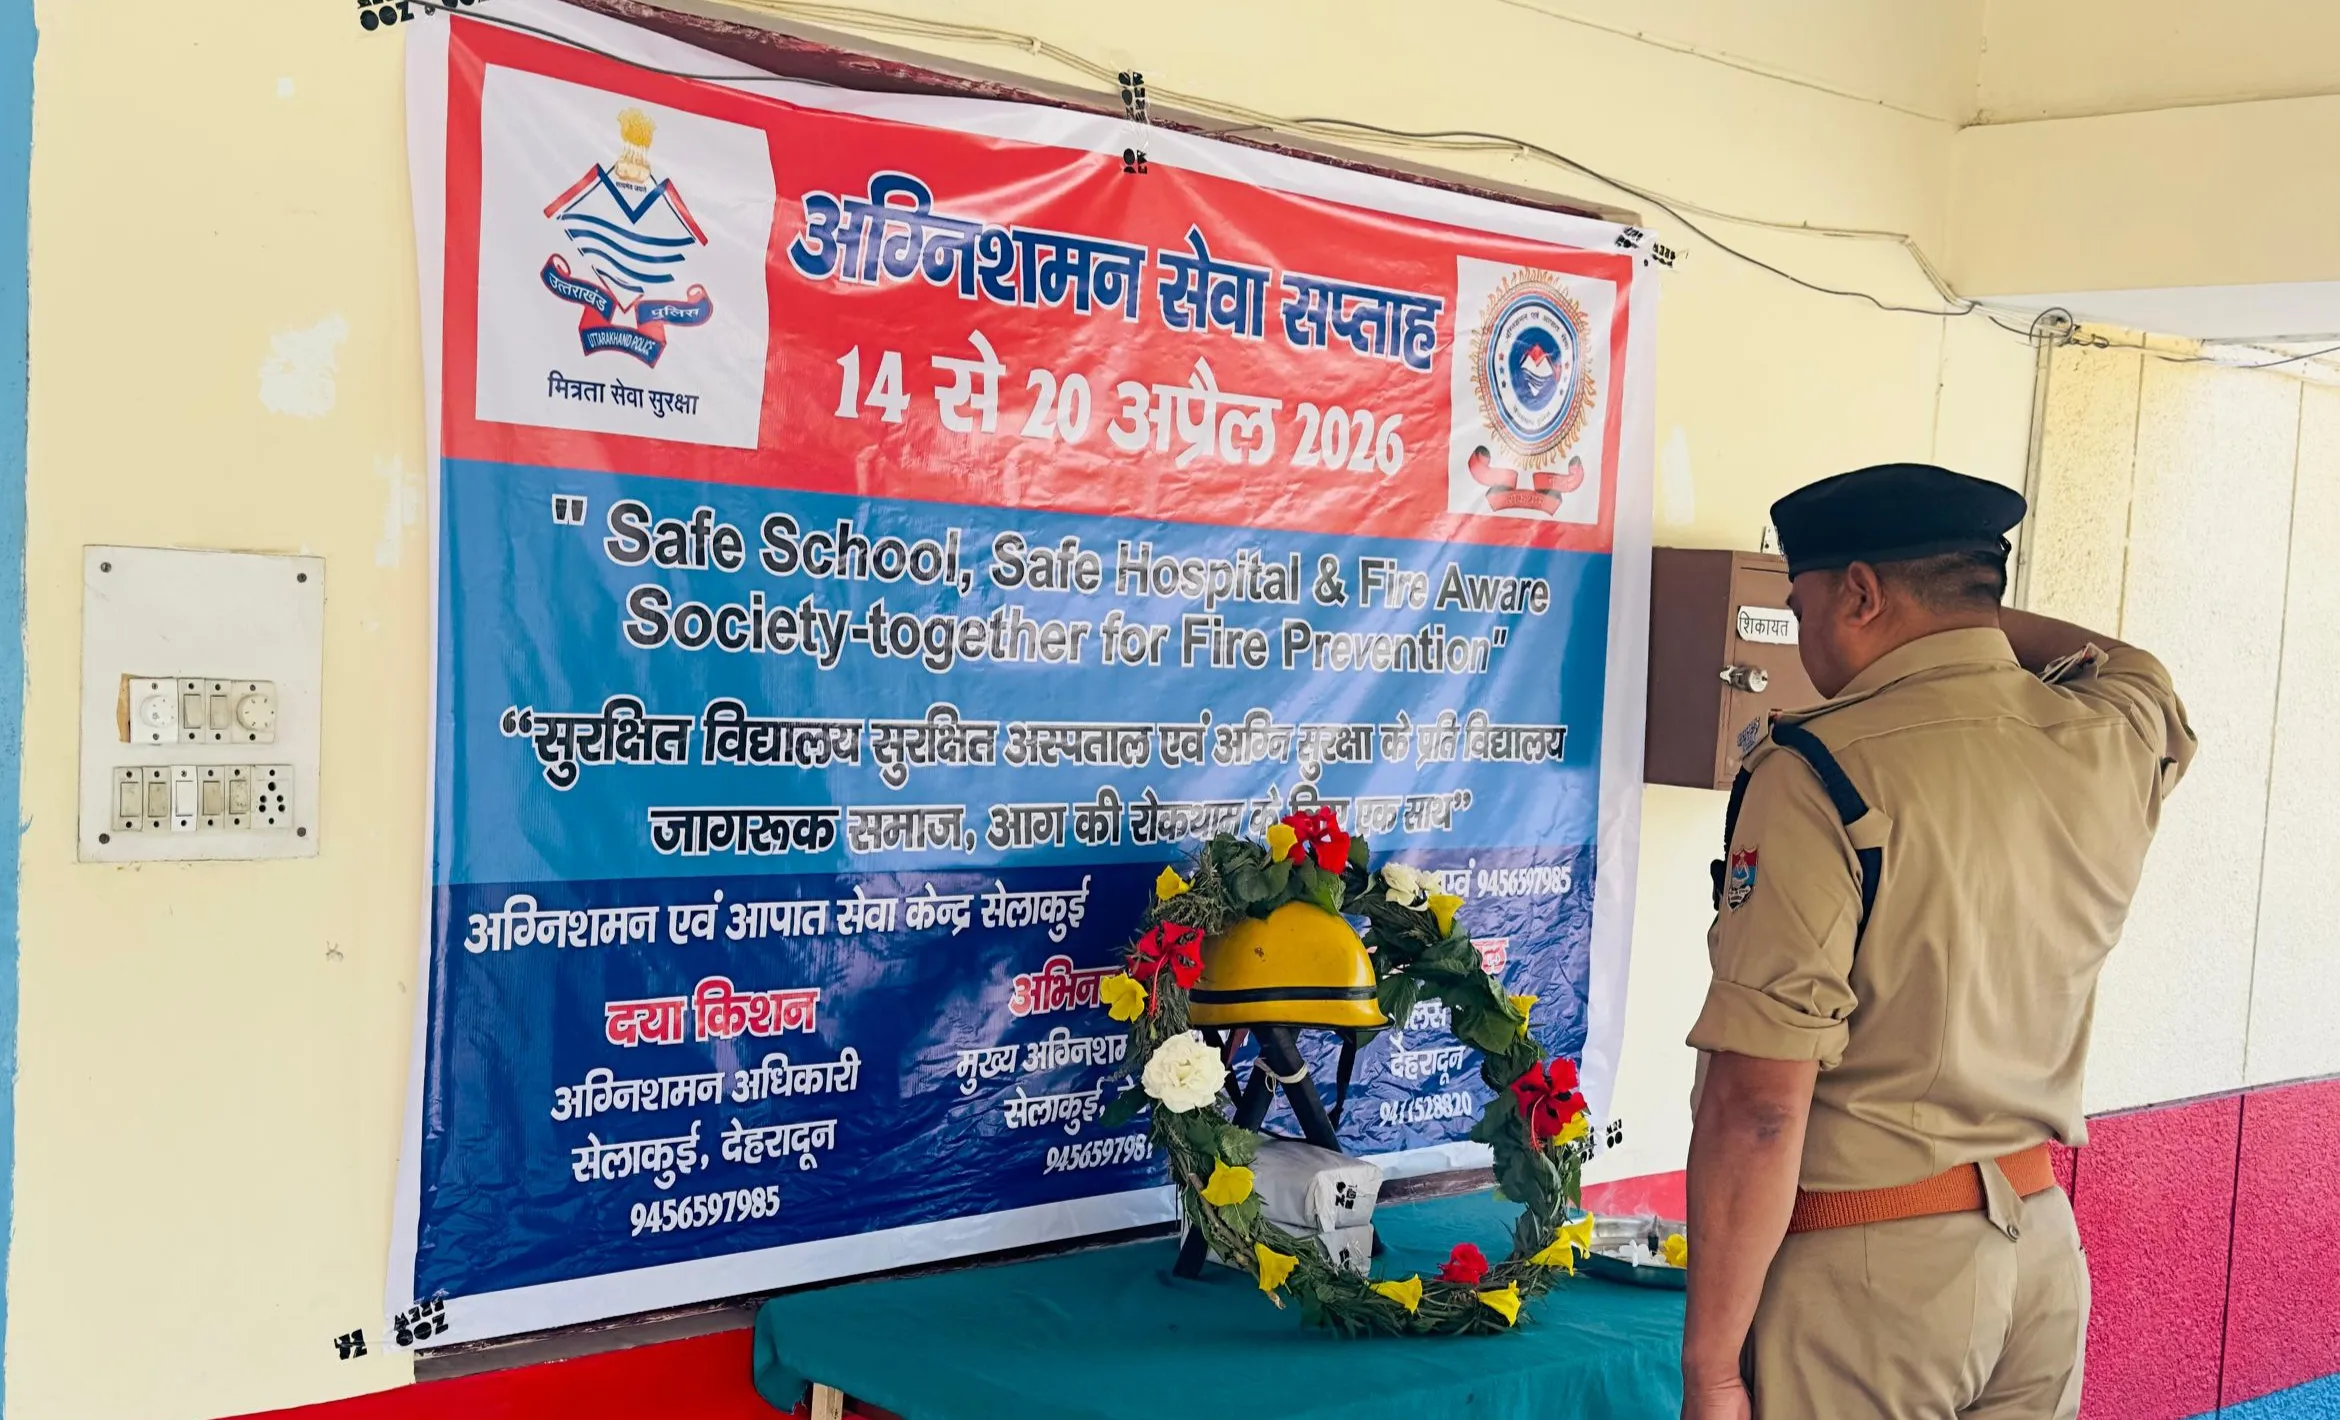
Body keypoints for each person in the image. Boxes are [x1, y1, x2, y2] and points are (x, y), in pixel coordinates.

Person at [1678, 463, 2197, 1420]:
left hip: (1870, 1277)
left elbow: (1759, 1106)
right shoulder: (2107, 733)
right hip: (2040, 1254)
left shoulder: (1820, 769)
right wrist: (1967, 617)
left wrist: (1712, 1371)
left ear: (1861, 593)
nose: (1802, 639)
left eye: (1802, 608)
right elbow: (2132, 663)